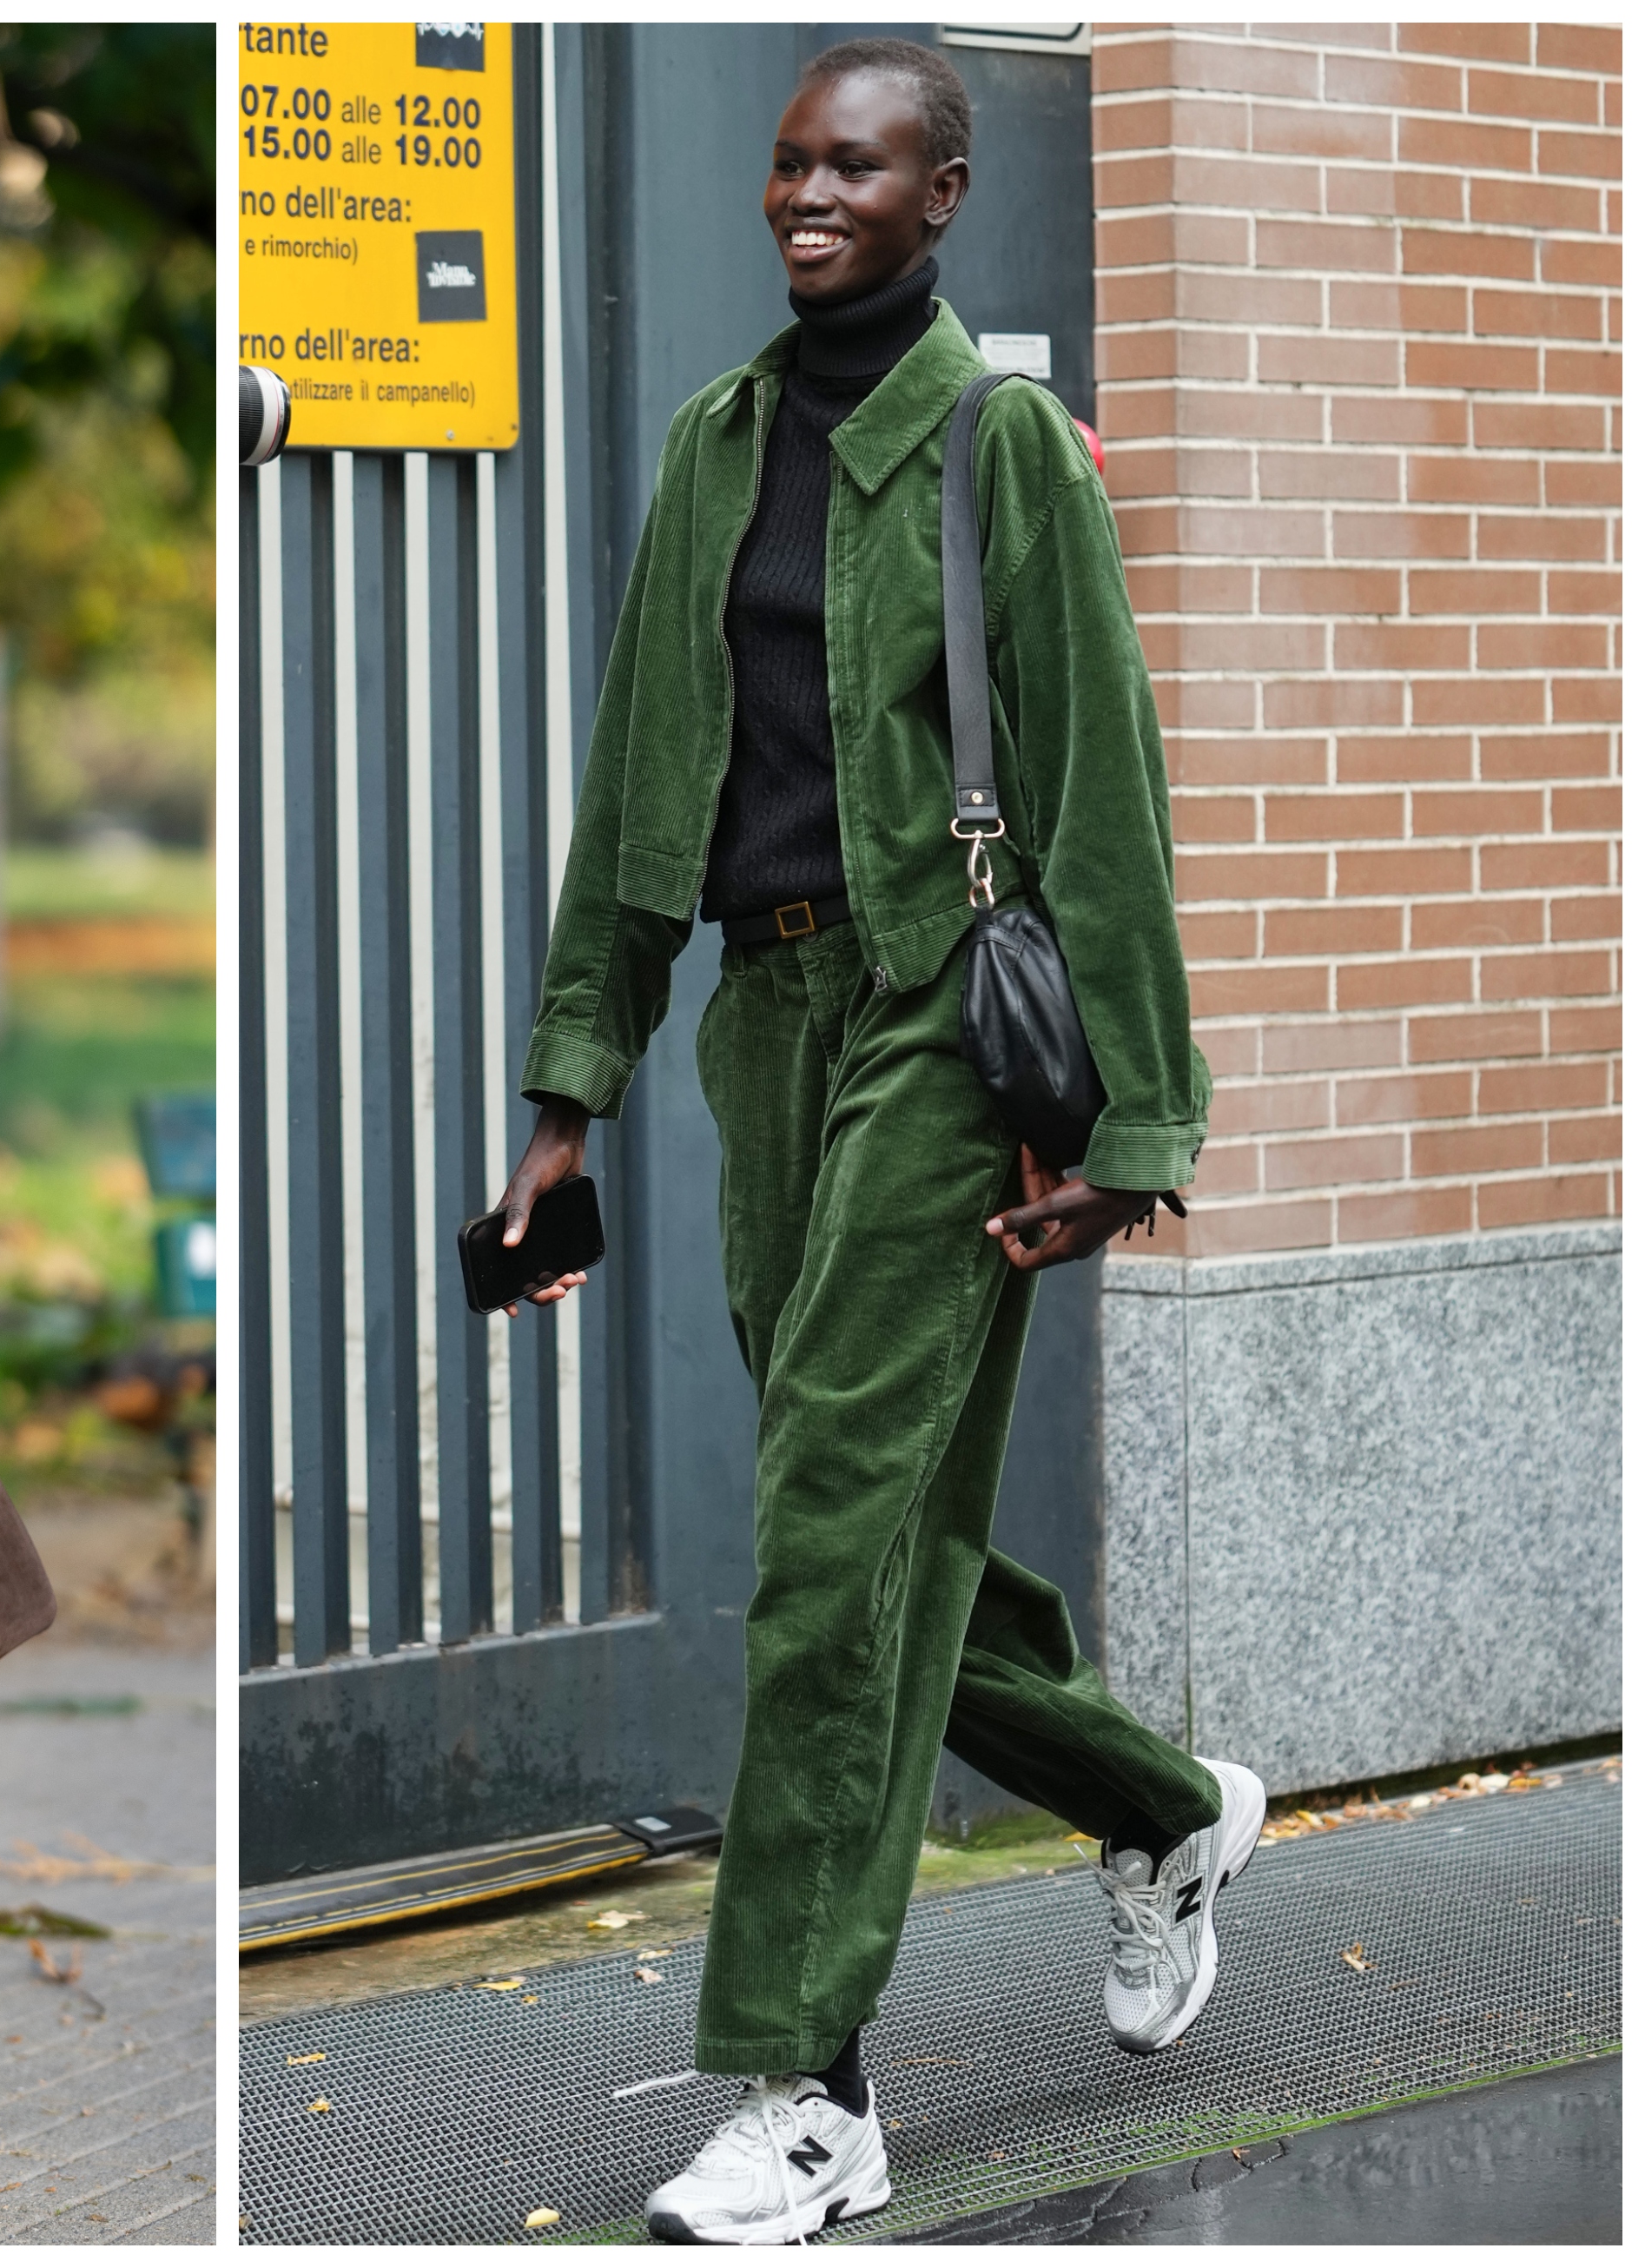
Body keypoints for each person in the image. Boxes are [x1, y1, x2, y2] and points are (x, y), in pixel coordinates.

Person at [494, 39, 1265, 2245]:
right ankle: (1162, 1804)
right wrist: (570, 1090)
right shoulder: (715, 442)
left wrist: (1136, 1120)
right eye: (786, 163)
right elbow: (638, 783)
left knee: (831, 1533)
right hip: (771, 1027)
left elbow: (1104, 786)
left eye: (857, 165)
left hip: (944, 1015)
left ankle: (806, 2089)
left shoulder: (1003, 447)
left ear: (942, 197)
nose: (807, 193)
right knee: (879, 1513)